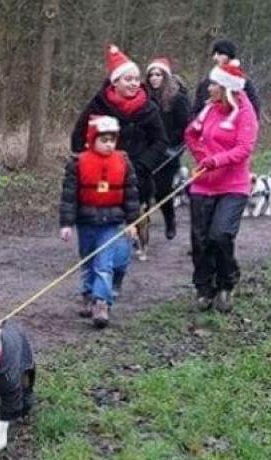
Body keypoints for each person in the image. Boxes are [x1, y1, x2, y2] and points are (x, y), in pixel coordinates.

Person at [183, 59, 258, 313]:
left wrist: (216, 160)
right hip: (203, 183)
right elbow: (191, 134)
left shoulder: (245, 113)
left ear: (227, 88)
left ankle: (227, 283)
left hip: (233, 184)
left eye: (214, 83)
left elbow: (244, 148)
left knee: (221, 234)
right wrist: (201, 154)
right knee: (200, 240)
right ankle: (204, 288)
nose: (209, 87)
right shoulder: (209, 109)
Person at [59, 115, 140, 328]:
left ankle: (102, 302)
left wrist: (133, 222)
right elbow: (69, 196)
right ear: (92, 139)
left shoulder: (123, 162)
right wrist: (66, 224)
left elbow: (131, 195)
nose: (109, 145)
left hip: (111, 222)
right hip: (86, 221)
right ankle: (88, 294)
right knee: (88, 260)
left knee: (104, 263)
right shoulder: (77, 163)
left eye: (112, 140)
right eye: (104, 140)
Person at [69, 45, 167, 212]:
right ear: (115, 82)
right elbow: (79, 136)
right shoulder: (98, 105)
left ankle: (139, 225)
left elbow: (160, 141)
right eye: (128, 79)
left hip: (136, 177)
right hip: (103, 175)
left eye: (136, 79)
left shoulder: (149, 108)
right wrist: (87, 161)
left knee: (130, 227)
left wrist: (143, 165)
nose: (134, 84)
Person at [143, 57, 191, 240]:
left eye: (158, 75)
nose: (154, 78)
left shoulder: (177, 99)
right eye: (151, 75)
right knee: (143, 191)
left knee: (162, 190)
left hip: (168, 152)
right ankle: (141, 231)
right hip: (147, 150)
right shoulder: (144, 98)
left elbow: (185, 126)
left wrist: (174, 146)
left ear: (165, 77)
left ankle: (170, 220)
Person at [191, 39, 261, 117]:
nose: (216, 58)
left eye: (220, 54)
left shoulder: (243, 84)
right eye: (215, 54)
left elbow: (253, 111)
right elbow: (196, 110)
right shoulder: (205, 84)